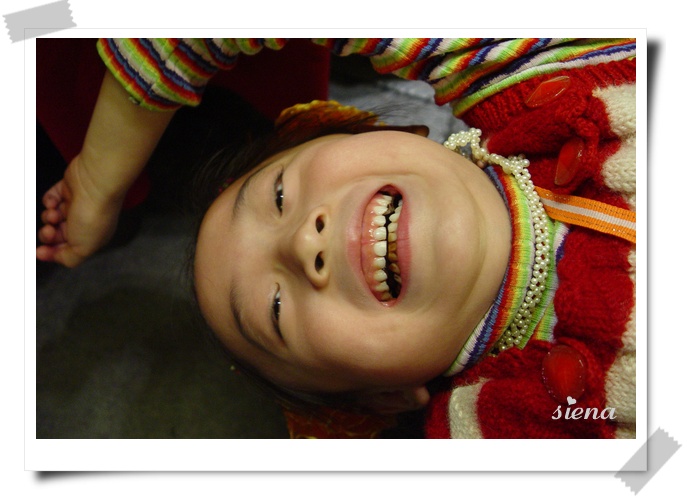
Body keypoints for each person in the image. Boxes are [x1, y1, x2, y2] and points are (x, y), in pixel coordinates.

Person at [37, 38, 637, 439]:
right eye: (275, 309)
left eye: (279, 196)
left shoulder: (526, 69)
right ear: (385, 398)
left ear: (385, 133)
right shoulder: (518, 434)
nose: (303, 242)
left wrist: (98, 180)